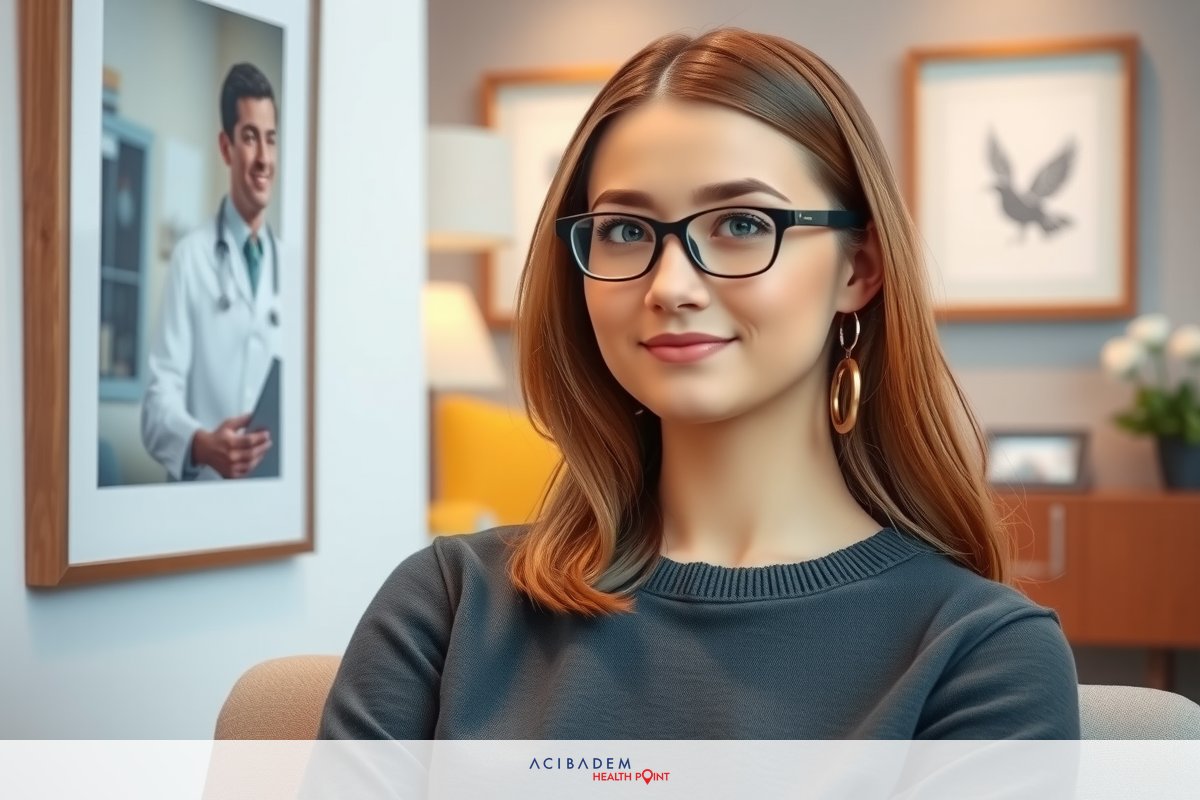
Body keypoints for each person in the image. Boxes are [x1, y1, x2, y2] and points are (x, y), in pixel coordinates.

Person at [319, 29, 1080, 739]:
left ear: (859, 268)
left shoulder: (979, 653)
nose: (671, 286)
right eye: (624, 231)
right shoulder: (448, 606)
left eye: (742, 224)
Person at [141, 63, 282, 481]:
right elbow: (156, 404)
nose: (264, 159)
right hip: (203, 496)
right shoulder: (190, 257)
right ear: (226, 147)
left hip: (272, 501)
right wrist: (201, 444)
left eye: (271, 139)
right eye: (250, 138)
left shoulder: (290, 268)